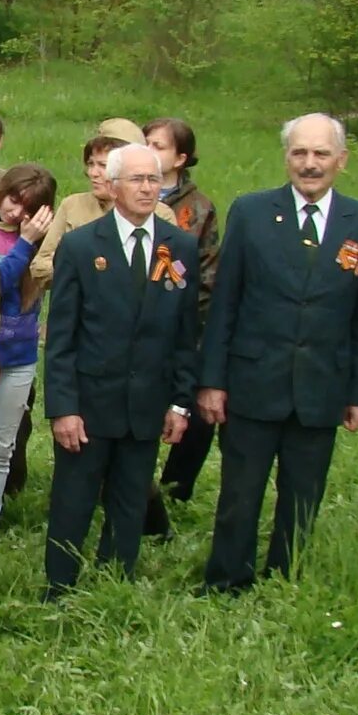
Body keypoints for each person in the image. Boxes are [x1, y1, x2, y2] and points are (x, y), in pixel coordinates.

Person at [197, 115, 358, 592]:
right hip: (253, 381)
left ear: (341, 160)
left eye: (321, 154)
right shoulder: (253, 212)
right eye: (300, 153)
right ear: (286, 157)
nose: (310, 164)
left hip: (321, 385)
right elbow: (226, 301)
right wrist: (212, 380)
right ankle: (227, 581)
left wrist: (357, 390)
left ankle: (285, 579)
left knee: (303, 495)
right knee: (240, 493)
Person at [41, 145, 201, 599]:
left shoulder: (180, 246)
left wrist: (179, 402)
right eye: (136, 180)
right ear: (112, 186)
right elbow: (63, 336)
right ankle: (60, 586)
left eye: (153, 179)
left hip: (147, 402)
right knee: (73, 499)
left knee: (131, 498)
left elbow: (186, 335)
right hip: (90, 404)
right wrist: (64, 408)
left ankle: (116, 582)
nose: (147, 188)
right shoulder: (80, 245)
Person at [0, 164, 55, 554]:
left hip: (19, 355)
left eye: (30, 208)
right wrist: (24, 243)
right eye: (14, 200)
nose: (17, 212)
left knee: (1, 445)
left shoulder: (44, 236)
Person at [147, 118, 221, 510]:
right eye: (146, 143)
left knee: (192, 408)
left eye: (159, 146)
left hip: (183, 324)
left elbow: (207, 274)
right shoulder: (126, 194)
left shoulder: (198, 209)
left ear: (180, 157)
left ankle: (176, 489)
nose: (150, 151)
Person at [29, 120, 146, 298]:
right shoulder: (72, 205)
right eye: (91, 164)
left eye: (103, 166)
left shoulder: (159, 213)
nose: (93, 173)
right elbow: (39, 268)